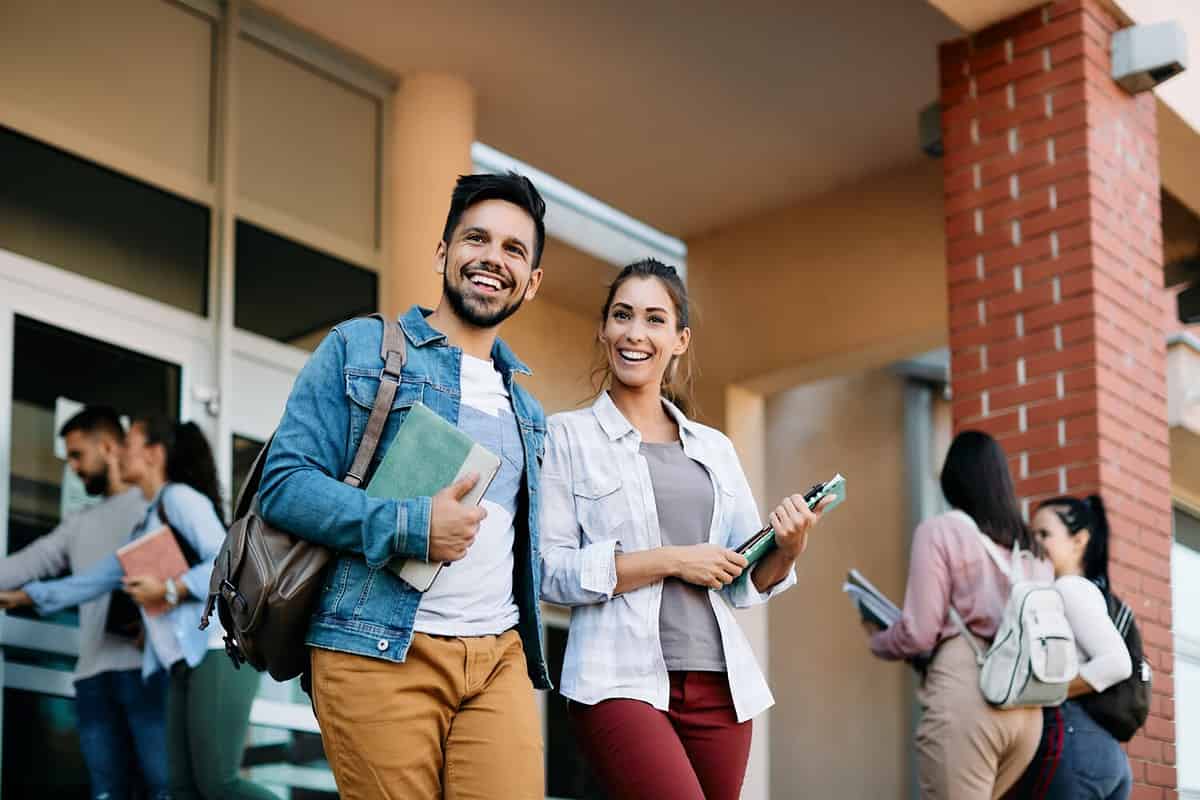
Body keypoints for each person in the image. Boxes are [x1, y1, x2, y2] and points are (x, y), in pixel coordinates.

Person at [257, 172, 552, 799]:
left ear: (531, 282)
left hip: (497, 657)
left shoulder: (528, 410)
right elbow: (283, 485)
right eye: (477, 239)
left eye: (513, 250)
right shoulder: (360, 348)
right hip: (377, 649)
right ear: (444, 251)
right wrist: (410, 525)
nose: (492, 259)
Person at [539, 259, 828, 800]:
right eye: (622, 316)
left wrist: (788, 547)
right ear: (603, 329)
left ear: (679, 339)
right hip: (617, 680)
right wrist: (672, 559)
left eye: (654, 319)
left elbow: (743, 579)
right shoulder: (566, 438)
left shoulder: (714, 448)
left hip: (721, 686)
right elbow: (548, 573)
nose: (635, 333)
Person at [0, 416, 273, 800]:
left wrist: (170, 589)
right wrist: (23, 597)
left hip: (215, 653)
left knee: (218, 782)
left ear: (154, 454)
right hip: (184, 661)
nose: (121, 452)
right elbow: (93, 581)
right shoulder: (146, 522)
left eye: (129, 442)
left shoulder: (179, 498)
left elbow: (222, 561)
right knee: (182, 789)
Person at [865, 430, 1054, 800]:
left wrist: (879, 639)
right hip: (1028, 708)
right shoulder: (1032, 548)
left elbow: (919, 632)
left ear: (952, 479)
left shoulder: (940, 530)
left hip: (969, 691)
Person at [0, 406, 164, 799]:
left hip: (145, 673)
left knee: (162, 789)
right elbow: (25, 565)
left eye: (77, 455)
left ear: (108, 447)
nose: (73, 466)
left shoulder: (150, 509)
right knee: (106, 793)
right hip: (92, 677)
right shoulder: (79, 522)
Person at [1008, 495, 1133, 800]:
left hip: (1072, 748)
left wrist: (1049, 689)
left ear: (1079, 541)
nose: (1034, 543)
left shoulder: (1068, 588)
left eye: (1044, 535)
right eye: (1031, 535)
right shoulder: (1082, 591)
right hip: (1103, 754)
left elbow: (1117, 662)